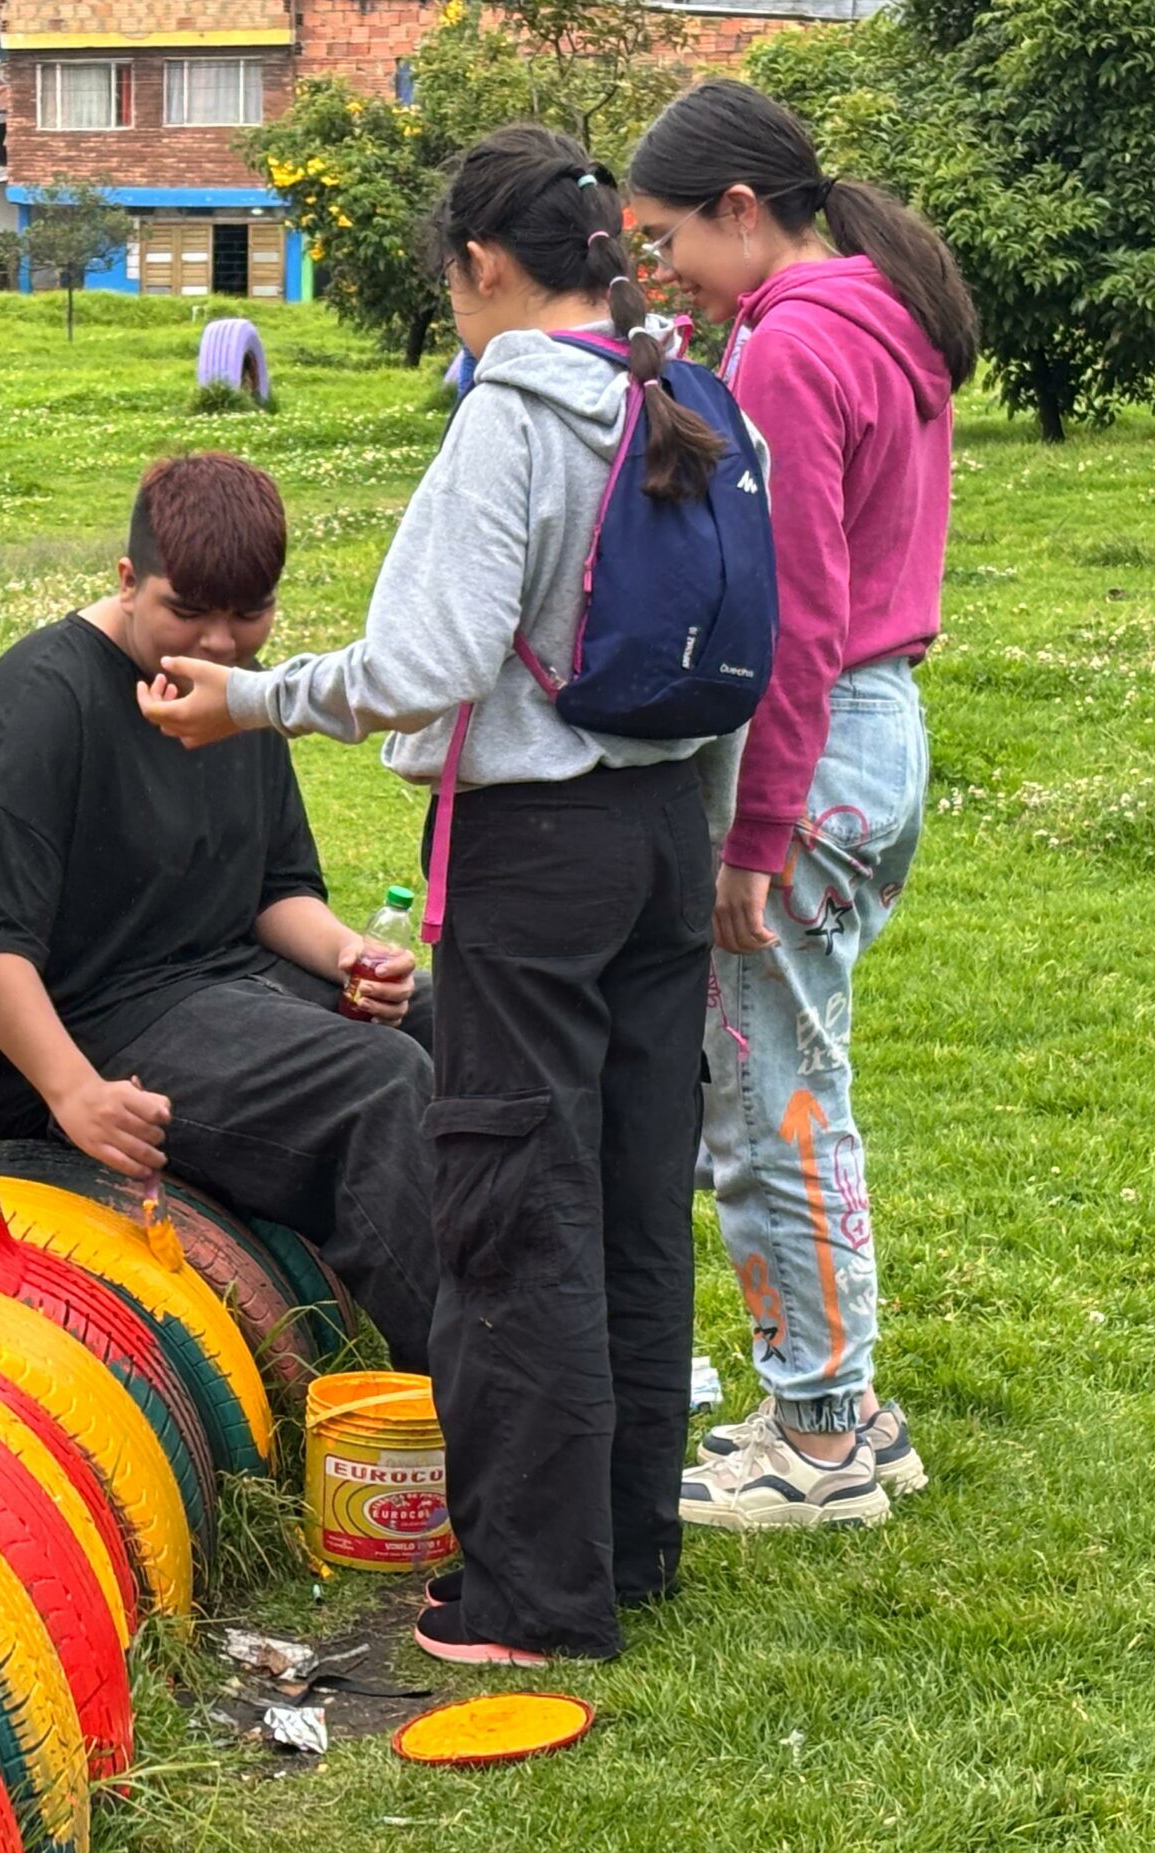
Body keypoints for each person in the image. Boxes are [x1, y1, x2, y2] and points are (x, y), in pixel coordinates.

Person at [140, 127, 755, 1665]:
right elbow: (739, 662)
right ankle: (627, 1550)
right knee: (627, 1195)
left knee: (510, 1205)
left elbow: (426, 665)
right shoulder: (672, 389)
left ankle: (536, 1599)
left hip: (539, 857)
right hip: (666, 832)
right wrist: (723, 837)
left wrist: (254, 700)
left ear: (481, 268)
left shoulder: (513, 419)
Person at [627, 78, 975, 1530]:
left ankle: (819, 1436)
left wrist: (750, 841)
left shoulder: (788, 352)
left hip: (817, 746)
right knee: (799, 1080)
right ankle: (848, 1406)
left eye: (667, 242)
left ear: (744, 211)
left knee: (771, 1098)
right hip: (883, 737)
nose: (660, 275)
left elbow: (799, 622)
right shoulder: (883, 319)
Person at [0, 452, 440, 1371]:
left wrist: (350, 953)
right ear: (126, 579)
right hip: (62, 1029)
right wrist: (72, 1092)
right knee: (379, 1084)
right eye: (187, 611)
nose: (223, 643)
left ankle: (535, 1317)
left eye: (248, 615)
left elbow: (278, 891)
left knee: (450, 1010)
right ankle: (479, 1405)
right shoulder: (44, 700)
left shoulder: (236, 688)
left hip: (209, 982)